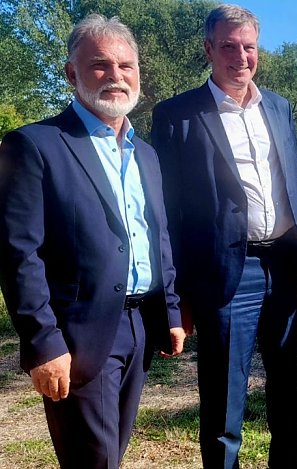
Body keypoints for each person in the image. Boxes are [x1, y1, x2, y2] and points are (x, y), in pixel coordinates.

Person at [150, 4, 297, 468]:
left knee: (287, 383)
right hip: (226, 273)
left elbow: (295, 181)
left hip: (283, 264)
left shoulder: (279, 107)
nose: (240, 56)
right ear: (208, 49)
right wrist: (176, 294)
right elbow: (167, 212)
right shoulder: (177, 115)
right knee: (225, 393)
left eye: (248, 47)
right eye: (228, 46)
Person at [0, 14, 185, 468]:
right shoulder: (34, 144)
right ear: (71, 73)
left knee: (110, 454)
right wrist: (43, 342)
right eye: (100, 65)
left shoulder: (145, 153)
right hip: (78, 335)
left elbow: (156, 235)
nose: (116, 76)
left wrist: (172, 311)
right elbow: (17, 252)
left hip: (141, 326)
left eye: (126, 65)